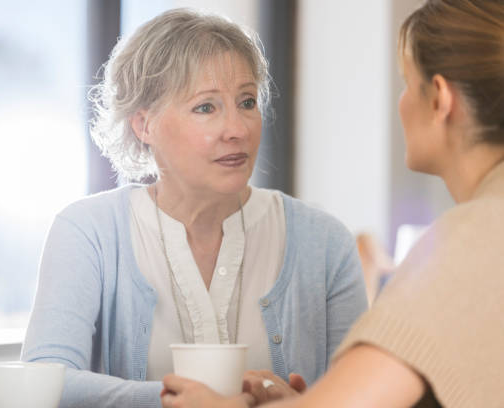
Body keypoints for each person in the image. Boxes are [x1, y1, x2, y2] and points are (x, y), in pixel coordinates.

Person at [160, 0, 504, 407]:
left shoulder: (471, 239)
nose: (233, 129)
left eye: (407, 83)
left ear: (440, 100)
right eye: (205, 107)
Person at [20, 8, 368, 408]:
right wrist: (185, 401)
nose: (237, 129)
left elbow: (364, 396)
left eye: (247, 101)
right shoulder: (88, 231)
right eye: (207, 107)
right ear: (143, 124)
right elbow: (44, 381)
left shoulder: (325, 243)